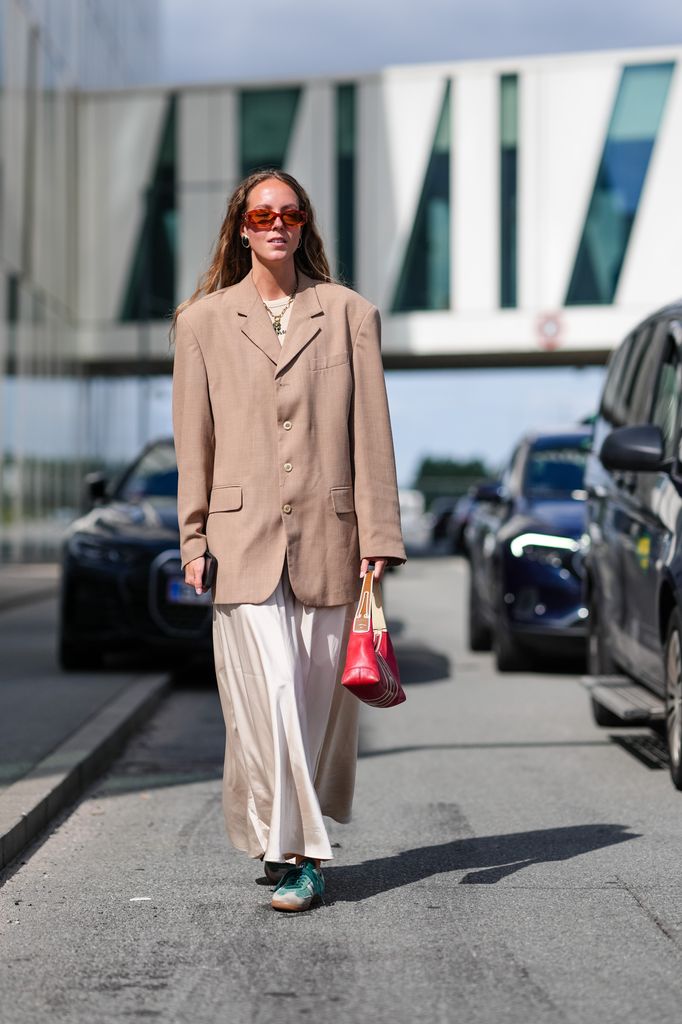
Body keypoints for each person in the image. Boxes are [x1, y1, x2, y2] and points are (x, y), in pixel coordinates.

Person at [171, 168, 405, 912]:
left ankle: (277, 836)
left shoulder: (349, 314)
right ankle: (303, 857)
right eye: (261, 213)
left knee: (306, 706)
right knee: (268, 695)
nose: (276, 223)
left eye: (290, 212)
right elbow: (192, 445)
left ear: (305, 224)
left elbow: (371, 435)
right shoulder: (201, 321)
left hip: (332, 538)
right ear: (240, 226)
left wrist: (380, 534)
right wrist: (193, 539)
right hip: (240, 542)